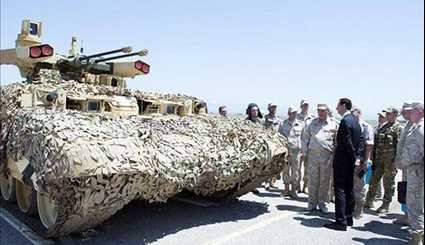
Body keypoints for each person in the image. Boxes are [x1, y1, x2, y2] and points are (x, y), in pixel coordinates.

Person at [325, 98, 363, 231]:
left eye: (338, 106)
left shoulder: (345, 121)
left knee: (340, 189)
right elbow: (360, 142)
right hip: (350, 162)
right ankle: (348, 218)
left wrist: (353, 158)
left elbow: (347, 143)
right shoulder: (356, 122)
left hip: (343, 161)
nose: (336, 109)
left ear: (344, 106)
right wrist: (356, 157)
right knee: (349, 189)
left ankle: (340, 222)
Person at [301, 104, 338, 213]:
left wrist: (335, 155)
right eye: (319, 111)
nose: (320, 113)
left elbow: (337, 141)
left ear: (327, 111)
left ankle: (323, 204)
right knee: (313, 180)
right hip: (313, 155)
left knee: (325, 181)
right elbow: (304, 138)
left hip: (327, 156)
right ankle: (312, 203)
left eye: (323, 111)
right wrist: (304, 152)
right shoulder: (311, 123)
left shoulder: (334, 124)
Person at [365, 107, 402, 213]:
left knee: (388, 183)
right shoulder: (383, 127)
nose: (387, 115)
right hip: (379, 159)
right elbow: (376, 143)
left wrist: (396, 161)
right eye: (387, 114)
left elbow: (399, 146)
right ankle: (369, 201)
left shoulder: (398, 128)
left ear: (395, 115)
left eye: (389, 114)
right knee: (373, 180)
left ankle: (385, 204)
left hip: (390, 161)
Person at [399, 102, 424, 245]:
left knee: (414, 205)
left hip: (417, 170)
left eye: (412, 111)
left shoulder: (420, 128)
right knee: (415, 203)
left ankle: (417, 237)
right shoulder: (415, 126)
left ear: (420, 112)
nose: (409, 114)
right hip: (413, 169)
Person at [393, 102, 415, 226]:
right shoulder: (408, 124)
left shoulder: (418, 125)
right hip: (407, 165)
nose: (403, 114)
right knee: (405, 190)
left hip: (414, 165)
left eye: (405, 112)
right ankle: (407, 215)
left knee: (413, 193)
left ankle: (413, 219)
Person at [351, 107, 374, 219]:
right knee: (350, 185)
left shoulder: (366, 127)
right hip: (350, 161)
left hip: (361, 162)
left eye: (355, 113)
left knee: (360, 186)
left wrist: (366, 161)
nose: (353, 115)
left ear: (360, 114)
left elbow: (369, 145)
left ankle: (359, 209)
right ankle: (351, 207)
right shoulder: (350, 125)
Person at [279, 106, 303, 198]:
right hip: (286, 151)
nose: (294, 114)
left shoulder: (300, 124)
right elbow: (279, 137)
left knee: (295, 171)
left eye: (295, 113)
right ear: (288, 114)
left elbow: (303, 138)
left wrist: (303, 151)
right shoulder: (283, 124)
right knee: (285, 170)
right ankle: (286, 189)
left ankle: (293, 190)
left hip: (296, 151)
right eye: (292, 113)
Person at [297, 99, 315, 193]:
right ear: (301, 106)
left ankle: (305, 186)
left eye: (307, 105)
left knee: (307, 168)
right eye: (304, 105)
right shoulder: (296, 117)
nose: (305, 107)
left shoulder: (312, 118)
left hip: (309, 146)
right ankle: (297, 185)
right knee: (297, 168)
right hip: (298, 145)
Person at [264, 103, 282, 189]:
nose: (274, 108)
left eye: (275, 107)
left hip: (276, 142)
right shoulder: (265, 118)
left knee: (275, 162)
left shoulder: (278, 119)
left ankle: (272, 181)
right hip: (268, 142)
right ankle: (266, 181)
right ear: (269, 108)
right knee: (268, 162)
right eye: (272, 107)